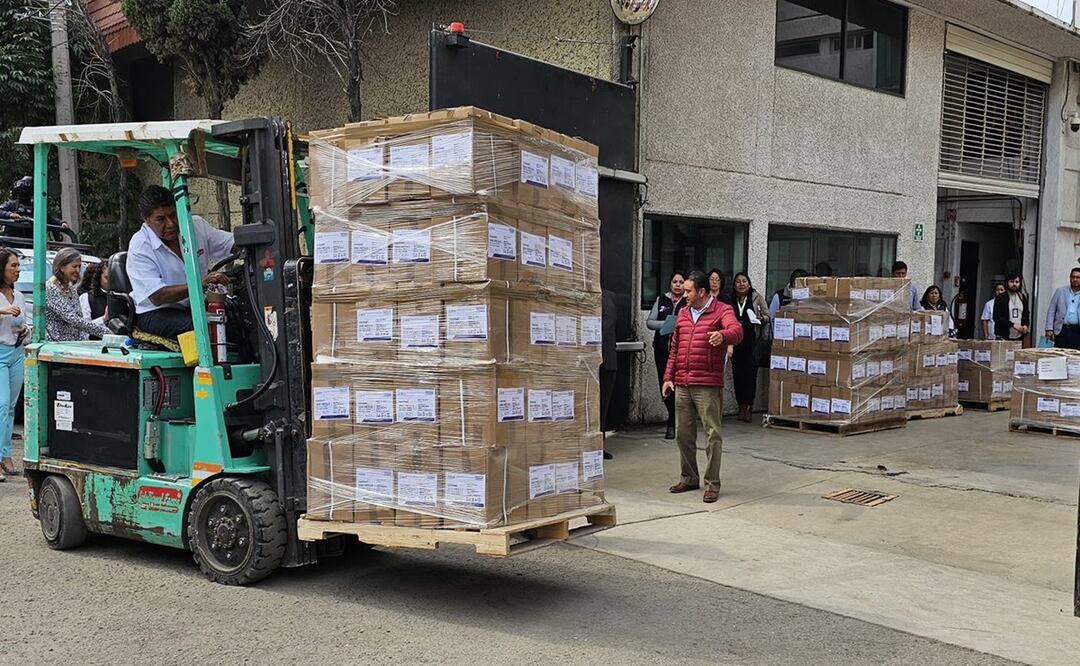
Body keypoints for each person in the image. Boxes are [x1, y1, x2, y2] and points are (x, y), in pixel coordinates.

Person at [662, 270, 743, 503]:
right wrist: (668, 377)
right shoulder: (683, 313)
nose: (684, 293)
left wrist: (723, 335)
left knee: (712, 435)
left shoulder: (722, 310)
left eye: (688, 291)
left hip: (707, 384)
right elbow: (674, 349)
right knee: (683, 434)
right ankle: (689, 477)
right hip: (682, 383)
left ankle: (712, 483)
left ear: (702, 292)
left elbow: (737, 331)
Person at [127, 185, 234, 338]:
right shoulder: (140, 246)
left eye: (173, 215)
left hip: (193, 305)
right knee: (202, 330)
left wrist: (254, 243)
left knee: (238, 318)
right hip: (156, 312)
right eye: (161, 219)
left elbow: (230, 243)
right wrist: (200, 284)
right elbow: (157, 296)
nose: (171, 224)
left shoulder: (195, 226)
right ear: (146, 219)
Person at [646, 270, 686, 439]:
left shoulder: (688, 301)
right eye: (675, 281)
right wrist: (666, 324)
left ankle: (673, 422)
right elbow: (650, 322)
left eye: (681, 282)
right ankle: (672, 415)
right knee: (665, 384)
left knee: (679, 385)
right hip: (662, 349)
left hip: (682, 350)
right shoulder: (661, 299)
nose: (678, 285)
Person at [0, 248, 27, 480]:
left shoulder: (19, 296)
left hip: (17, 352)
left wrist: (25, 331)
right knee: (1, 404)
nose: (17, 270)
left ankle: (6, 455)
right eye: (13, 265)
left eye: (18, 266)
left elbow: (24, 324)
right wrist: (3, 311)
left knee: (10, 407)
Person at [729, 272, 770, 423]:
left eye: (744, 281)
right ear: (734, 285)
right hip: (735, 344)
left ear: (749, 283)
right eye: (738, 282)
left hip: (752, 343)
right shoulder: (730, 299)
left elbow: (768, 316)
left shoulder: (756, 297)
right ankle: (740, 407)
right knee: (738, 376)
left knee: (750, 377)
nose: (741, 284)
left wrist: (761, 318)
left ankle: (748, 408)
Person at [46, 248, 111, 342]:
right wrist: (107, 333)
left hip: (74, 345)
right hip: (54, 345)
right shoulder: (50, 288)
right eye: (74, 266)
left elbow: (80, 321)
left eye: (79, 266)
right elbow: (73, 319)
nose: (78, 270)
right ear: (62, 267)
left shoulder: (72, 289)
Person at [599, 288, 617, 460]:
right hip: (594, 362)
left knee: (601, 407)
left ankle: (598, 444)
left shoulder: (606, 298)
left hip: (605, 361)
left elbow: (605, 328)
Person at [1044, 267, 1080, 350]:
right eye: (1073, 277)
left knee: (1075, 356)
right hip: (1061, 330)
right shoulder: (1060, 291)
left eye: (1078, 277)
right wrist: (1049, 328)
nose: (1075, 279)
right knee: (1058, 354)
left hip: (1077, 331)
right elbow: (1051, 310)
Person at [993, 273, 1030, 344]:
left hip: (1019, 336)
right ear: (1007, 283)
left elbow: (1026, 313)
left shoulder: (1022, 297)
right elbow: (997, 317)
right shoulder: (1000, 297)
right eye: (1012, 282)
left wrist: (1025, 325)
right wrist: (1013, 325)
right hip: (1003, 336)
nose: (1014, 284)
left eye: (1017, 282)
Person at [78, 256, 110, 336]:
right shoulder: (87, 298)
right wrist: (104, 319)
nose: (111, 281)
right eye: (107, 278)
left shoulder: (124, 298)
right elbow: (83, 330)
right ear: (99, 277)